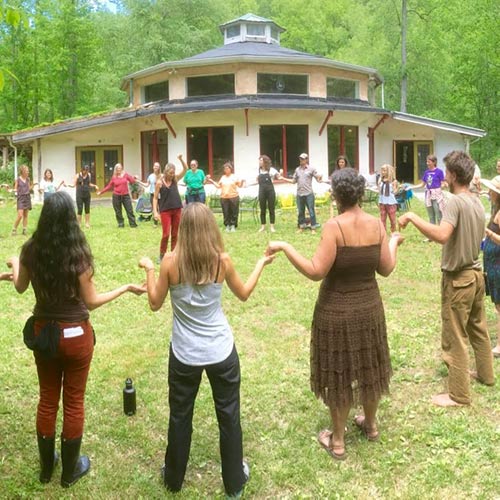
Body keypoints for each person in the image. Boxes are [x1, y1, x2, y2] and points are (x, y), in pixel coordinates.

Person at [6, 191, 145, 487]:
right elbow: (91, 301)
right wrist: (125, 287)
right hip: (77, 336)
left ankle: (46, 470)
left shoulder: (31, 250)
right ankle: (69, 472)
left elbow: (19, 287)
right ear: (71, 218)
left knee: (47, 399)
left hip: (45, 334)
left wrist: (14, 264)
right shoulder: (78, 255)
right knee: (74, 402)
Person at [266, 168, 403, 460]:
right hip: (369, 309)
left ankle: (338, 441)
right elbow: (386, 268)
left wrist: (286, 247)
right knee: (369, 365)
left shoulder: (334, 227)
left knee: (339, 370)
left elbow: (316, 271)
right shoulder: (376, 225)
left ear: (337, 194)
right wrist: (392, 242)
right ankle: (371, 424)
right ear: (360, 193)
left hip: (336, 311)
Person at [138, 202, 274, 497]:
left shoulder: (171, 262)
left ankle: (173, 479)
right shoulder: (220, 261)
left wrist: (149, 269)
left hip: (184, 353)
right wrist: (261, 263)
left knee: (180, 415)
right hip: (221, 351)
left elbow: (153, 303)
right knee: (229, 415)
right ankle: (234, 481)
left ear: (183, 228)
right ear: (211, 227)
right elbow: (245, 293)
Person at [399, 150, 495, 407]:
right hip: (476, 276)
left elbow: (442, 235)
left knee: (456, 336)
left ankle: (458, 395)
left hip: (459, 279)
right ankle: (486, 375)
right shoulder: (476, 200)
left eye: (446, 173)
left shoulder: (454, 202)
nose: (444, 178)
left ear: (452, 175)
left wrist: (412, 216)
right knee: (478, 329)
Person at [153, 155, 188, 260]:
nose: (172, 175)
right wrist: (155, 212)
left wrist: (181, 159)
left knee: (175, 233)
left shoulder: (175, 179)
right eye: (170, 173)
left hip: (177, 209)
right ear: (166, 171)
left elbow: (185, 169)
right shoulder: (159, 183)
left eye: (173, 173)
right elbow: (155, 198)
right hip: (165, 211)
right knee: (165, 234)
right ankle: (162, 254)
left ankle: (174, 253)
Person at [481, 175, 500, 358]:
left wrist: (488, 233)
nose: (488, 192)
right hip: (493, 264)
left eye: (491, 190)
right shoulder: (496, 210)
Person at [281, 153, 322, 233]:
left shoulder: (311, 169)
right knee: (300, 212)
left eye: (303, 159)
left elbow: (317, 177)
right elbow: (293, 181)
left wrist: (319, 177)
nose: (301, 160)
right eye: (300, 159)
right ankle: (301, 227)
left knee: (311, 211)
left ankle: (313, 228)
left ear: (306, 160)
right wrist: (283, 178)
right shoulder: (297, 170)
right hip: (299, 194)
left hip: (309, 194)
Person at [406, 155, 445, 226]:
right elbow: (422, 184)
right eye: (427, 162)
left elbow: (443, 184)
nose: (427, 163)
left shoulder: (439, 172)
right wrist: (411, 187)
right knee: (431, 216)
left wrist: (440, 188)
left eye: (429, 162)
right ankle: (432, 234)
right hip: (428, 196)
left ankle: (440, 232)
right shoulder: (426, 172)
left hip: (437, 196)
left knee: (439, 215)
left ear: (434, 162)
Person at [97, 163, 138, 228]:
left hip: (125, 196)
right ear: (115, 169)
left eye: (120, 168)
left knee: (129, 210)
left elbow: (132, 181)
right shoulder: (114, 177)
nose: (119, 169)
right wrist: (101, 192)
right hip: (116, 196)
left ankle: (133, 224)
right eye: (117, 168)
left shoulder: (125, 175)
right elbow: (109, 186)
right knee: (118, 211)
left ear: (122, 168)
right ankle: (121, 224)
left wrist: (134, 177)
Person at [206, 162, 243, 232]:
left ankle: (233, 225)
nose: (226, 170)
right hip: (224, 197)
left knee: (234, 212)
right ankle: (227, 225)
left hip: (234, 197)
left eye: (227, 168)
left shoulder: (234, 177)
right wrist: (211, 181)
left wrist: (243, 182)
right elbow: (218, 186)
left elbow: (240, 185)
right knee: (226, 212)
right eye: (225, 169)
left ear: (230, 169)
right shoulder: (223, 177)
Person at [257, 155, 280, 233]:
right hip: (261, 191)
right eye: (259, 160)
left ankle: (272, 226)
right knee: (262, 209)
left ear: (265, 162)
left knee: (271, 208)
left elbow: (279, 177)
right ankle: (263, 226)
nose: (259, 162)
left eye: (261, 160)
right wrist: (247, 184)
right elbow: (256, 181)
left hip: (270, 191)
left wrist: (281, 173)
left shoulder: (271, 170)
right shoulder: (258, 171)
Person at [11, 165, 37, 236]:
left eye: (28, 170)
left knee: (26, 215)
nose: (28, 172)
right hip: (21, 198)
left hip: (27, 198)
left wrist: (33, 185)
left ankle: (24, 230)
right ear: (22, 171)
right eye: (26, 170)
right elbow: (15, 189)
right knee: (20, 215)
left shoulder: (28, 179)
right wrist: (10, 190)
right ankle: (14, 229)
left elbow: (28, 189)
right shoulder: (18, 180)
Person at [377, 164, 399, 233]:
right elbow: (379, 191)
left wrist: (397, 188)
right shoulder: (381, 180)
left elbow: (395, 192)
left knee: (392, 220)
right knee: (382, 219)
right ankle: (383, 233)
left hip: (391, 203)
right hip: (382, 202)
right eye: (382, 170)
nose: (382, 172)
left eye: (384, 170)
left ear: (388, 171)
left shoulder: (393, 181)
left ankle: (394, 232)